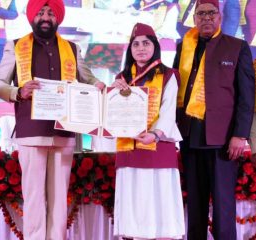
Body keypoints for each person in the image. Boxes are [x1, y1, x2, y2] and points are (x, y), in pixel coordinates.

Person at [0, 0, 105, 239]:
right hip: (31, 132)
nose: (45, 17)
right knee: (33, 197)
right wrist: (18, 91)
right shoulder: (15, 46)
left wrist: (99, 86)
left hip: (64, 133)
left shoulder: (72, 49)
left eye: (51, 13)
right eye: (41, 12)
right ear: (32, 16)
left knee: (59, 198)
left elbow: (89, 79)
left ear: (58, 18)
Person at [173, 0, 255, 238]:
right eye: (201, 14)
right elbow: (174, 90)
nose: (206, 18)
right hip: (189, 138)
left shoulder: (237, 47)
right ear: (195, 18)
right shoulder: (183, 48)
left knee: (223, 207)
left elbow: (246, 97)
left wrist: (240, 135)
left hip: (223, 141)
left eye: (211, 13)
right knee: (195, 207)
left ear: (220, 17)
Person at [112, 23, 185, 240]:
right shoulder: (122, 78)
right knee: (133, 205)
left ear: (155, 46)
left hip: (158, 148)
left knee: (159, 205)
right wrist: (112, 96)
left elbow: (168, 110)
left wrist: (154, 134)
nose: (141, 48)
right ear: (130, 49)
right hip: (129, 148)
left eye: (146, 43)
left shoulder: (169, 75)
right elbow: (114, 113)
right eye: (135, 44)